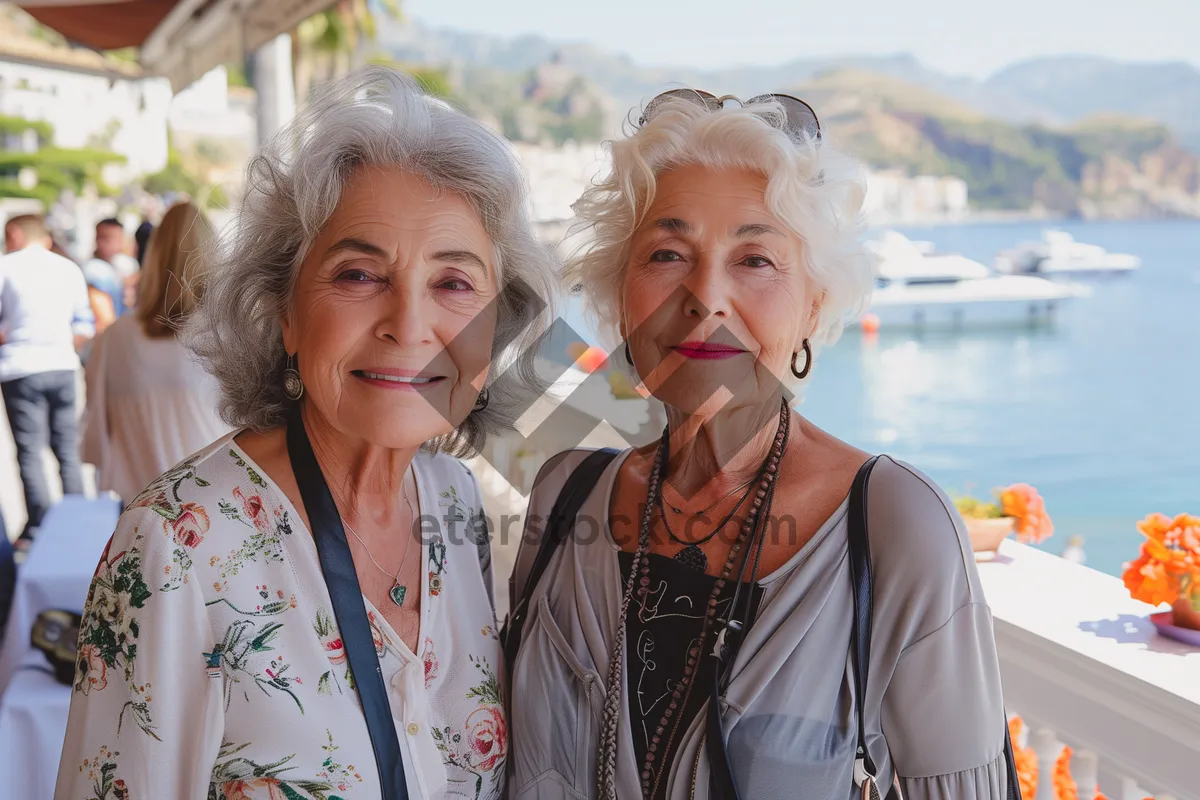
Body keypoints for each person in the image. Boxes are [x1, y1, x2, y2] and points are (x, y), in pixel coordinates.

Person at [56, 66, 555, 799]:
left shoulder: (455, 500)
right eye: (358, 275)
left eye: (453, 284)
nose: (409, 325)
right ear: (284, 312)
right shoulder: (178, 545)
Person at [507, 91, 1014, 798]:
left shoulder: (894, 524)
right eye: (667, 253)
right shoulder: (564, 496)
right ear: (621, 296)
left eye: (754, 260)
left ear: (812, 303)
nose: (706, 295)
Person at [81, 201, 230, 503]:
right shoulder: (232, 332)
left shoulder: (114, 338)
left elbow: (97, 437)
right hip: (217, 508)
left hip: (142, 511)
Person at [0, 215, 94, 547]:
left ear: (13, 234)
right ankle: (79, 521)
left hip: (20, 367)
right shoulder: (68, 268)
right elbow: (84, 326)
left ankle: (39, 525)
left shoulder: (6, 267)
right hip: (62, 364)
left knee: (29, 451)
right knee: (67, 448)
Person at [83, 217, 137, 324]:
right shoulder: (93, 269)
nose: (102, 243)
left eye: (110, 238)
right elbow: (105, 319)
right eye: (100, 237)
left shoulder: (127, 264)